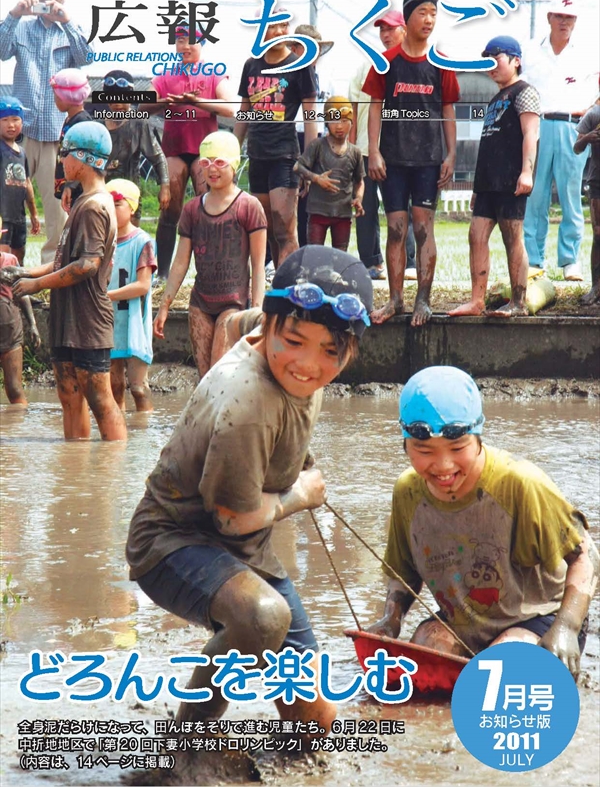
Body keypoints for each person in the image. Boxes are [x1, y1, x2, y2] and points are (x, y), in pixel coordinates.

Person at [126, 245, 373, 736]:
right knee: (262, 617)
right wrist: (301, 492)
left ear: (351, 348)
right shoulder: (249, 406)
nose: (307, 365)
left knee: (316, 726)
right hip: (175, 541)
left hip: (247, 549)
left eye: (330, 351)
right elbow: (230, 521)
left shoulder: (266, 325)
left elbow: (235, 323)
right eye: (296, 341)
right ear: (276, 326)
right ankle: (188, 739)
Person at [369, 365, 599, 680]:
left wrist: (567, 627)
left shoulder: (521, 483)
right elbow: (403, 572)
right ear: (406, 444)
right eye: (424, 450)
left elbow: (585, 555)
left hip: (537, 618)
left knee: (499, 669)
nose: (443, 466)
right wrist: (390, 620)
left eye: (458, 448)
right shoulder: (407, 491)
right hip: (464, 620)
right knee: (421, 660)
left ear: (478, 438)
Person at [10, 122, 127, 442]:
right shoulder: (83, 201)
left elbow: (88, 265)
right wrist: (27, 272)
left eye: (66, 153)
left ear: (84, 159)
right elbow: (66, 260)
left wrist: (38, 285)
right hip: (68, 315)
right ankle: (76, 467)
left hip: (88, 317)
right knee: (68, 395)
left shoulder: (93, 206)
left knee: (100, 399)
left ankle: (110, 471)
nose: (62, 159)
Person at [362, 0, 460, 326]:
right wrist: (373, 151)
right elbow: (375, 108)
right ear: (407, 18)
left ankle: (423, 299)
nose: (429, 19)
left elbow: (448, 110)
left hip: (428, 160)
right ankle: (395, 300)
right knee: (395, 230)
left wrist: (451, 155)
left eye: (433, 13)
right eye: (422, 12)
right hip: (392, 160)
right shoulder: (385, 63)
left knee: (422, 229)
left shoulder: (441, 62)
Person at [153, 131, 267, 379]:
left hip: (233, 303)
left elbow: (258, 265)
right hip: (200, 303)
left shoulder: (249, 207)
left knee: (220, 375)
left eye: (220, 162)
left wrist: (257, 311)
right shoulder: (192, 209)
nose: (212, 169)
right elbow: (181, 261)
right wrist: (164, 305)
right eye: (206, 162)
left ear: (234, 165)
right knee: (205, 379)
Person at [0, 0, 93, 263]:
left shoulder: (71, 28)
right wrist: (14, 14)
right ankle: (7, 268)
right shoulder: (21, 27)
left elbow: (86, 58)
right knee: (8, 200)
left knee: (57, 209)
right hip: (20, 134)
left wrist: (67, 22)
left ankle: (50, 272)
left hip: (56, 132)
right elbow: (2, 51)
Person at [449, 37, 540, 318]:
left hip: (512, 180)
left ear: (516, 60)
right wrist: (477, 187)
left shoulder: (525, 92)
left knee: (512, 237)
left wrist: (526, 172)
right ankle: (477, 300)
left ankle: (519, 302)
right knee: (475, 235)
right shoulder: (495, 98)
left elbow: (531, 134)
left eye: (496, 57)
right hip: (487, 183)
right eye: (486, 58)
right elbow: (488, 144)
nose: (491, 65)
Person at [235, 9, 318, 268]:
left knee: (285, 229)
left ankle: (289, 293)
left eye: (284, 26)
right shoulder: (251, 65)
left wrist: (309, 161)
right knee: (267, 227)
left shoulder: (299, 65)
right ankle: (276, 285)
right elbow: (244, 113)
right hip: (257, 154)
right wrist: (231, 153)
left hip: (285, 156)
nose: (280, 32)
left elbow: (310, 116)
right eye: (273, 27)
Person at [523, 0, 599, 280]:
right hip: (538, 126)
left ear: (576, 21)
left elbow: (595, 93)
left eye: (570, 17)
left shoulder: (587, 55)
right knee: (536, 195)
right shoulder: (530, 50)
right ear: (549, 17)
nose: (565, 22)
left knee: (570, 196)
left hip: (572, 126)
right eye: (560, 16)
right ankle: (533, 260)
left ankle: (569, 260)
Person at [152, 27, 236, 279]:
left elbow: (230, 107)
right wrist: (168, 101)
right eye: (180, 41)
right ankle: (162, 275)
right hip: (174, 150)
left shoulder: (213, 74)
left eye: (192, 42)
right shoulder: (165, 75)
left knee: (209, 209)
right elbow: (144, 104)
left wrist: (197, 102)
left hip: (205, 153)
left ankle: (210, 273)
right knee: (170, 211)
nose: (186, 46)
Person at [349, 10, 417, 281]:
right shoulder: (366, 66)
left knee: (400, 206)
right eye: (382, 30)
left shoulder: (412, 65)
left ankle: (409, 261)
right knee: (364, 208)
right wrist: (351, 150)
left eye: (391, 29)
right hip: (365, 150)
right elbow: (353, 111)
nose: (386, 35)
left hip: (398, 151)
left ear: (404, 30)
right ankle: (370, 263)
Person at [106, 179, 157, 412]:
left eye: (117, 204)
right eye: (106, 204)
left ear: (132, 207)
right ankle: (119, 441)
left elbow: (143, 285)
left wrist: (107, 295)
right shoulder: (102, 242)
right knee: (113, 385)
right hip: (109, 323)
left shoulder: (142, 242)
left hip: (134, 322)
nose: (110, 210)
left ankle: (144, 435)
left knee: (138, 388)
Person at [100, 70, 170, 228]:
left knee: (129, 241)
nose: (117, 104)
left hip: (128, 196)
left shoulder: (138, 122)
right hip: (101, 193)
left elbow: (157, 157)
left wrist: (165, 186)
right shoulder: (97, 122)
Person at [295, 97, 364, 251]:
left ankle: (337, 276)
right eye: (334, 121)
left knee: (340, 256)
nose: (339, 126)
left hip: (343, 213)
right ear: (326, 122)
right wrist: (316, 178)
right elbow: (298, 167)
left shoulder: (355, 152)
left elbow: (359, 181)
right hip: (318, 211)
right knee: (315, 254)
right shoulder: (317, 146)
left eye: (344, 121)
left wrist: (358, 198)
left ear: (352, 123)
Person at [288, 23, 335, 248]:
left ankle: (310, 252)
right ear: (295, 49)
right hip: (291, 138)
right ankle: (274, 258)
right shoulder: (284, 76)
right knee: (288, 198)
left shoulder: (325, 79)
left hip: (318, 140)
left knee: (313, 202)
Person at [0, 221, 41, 406]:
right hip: (8, 322)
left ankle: (16, 430)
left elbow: (21, 292)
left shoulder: (10, 261)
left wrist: (32, 324)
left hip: (9, 327)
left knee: (15, 388)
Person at [0, 97, 40, 263]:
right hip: (2, 217)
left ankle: (16, 288)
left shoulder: (22, 153)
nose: (11, 125)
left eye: (15, 120)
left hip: (18, 216)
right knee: (3, 258)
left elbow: (27, 184)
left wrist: (34, 213)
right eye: (5, 120)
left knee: (19, 256)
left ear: (22, 123)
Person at [50, 68, 92, 213]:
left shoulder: (82, 122)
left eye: (57, 97)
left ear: (67, 96)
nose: (55, 100)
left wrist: (70, 185)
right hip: (68, 181)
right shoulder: (70, 119)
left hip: (76, 187)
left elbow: (83, 157)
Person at [574, 96, 600, 304]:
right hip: (597, 179)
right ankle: (596, 288)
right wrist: (588, 137)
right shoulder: (594, 114)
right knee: (598, 233)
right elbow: (577, 147)